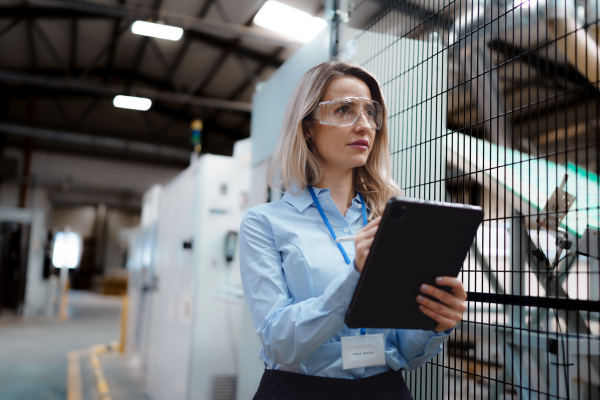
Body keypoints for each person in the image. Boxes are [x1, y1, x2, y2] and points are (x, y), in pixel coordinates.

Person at [239, 61, 467, 400]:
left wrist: (437, 324)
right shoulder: (265, 223)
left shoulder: (390, 222)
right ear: (307, 127)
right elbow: (280, 343)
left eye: (370, 112)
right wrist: (356, 273)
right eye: (344, 110)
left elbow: (406, 352)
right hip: (300, 392)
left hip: (384, 389)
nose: (364, 126)